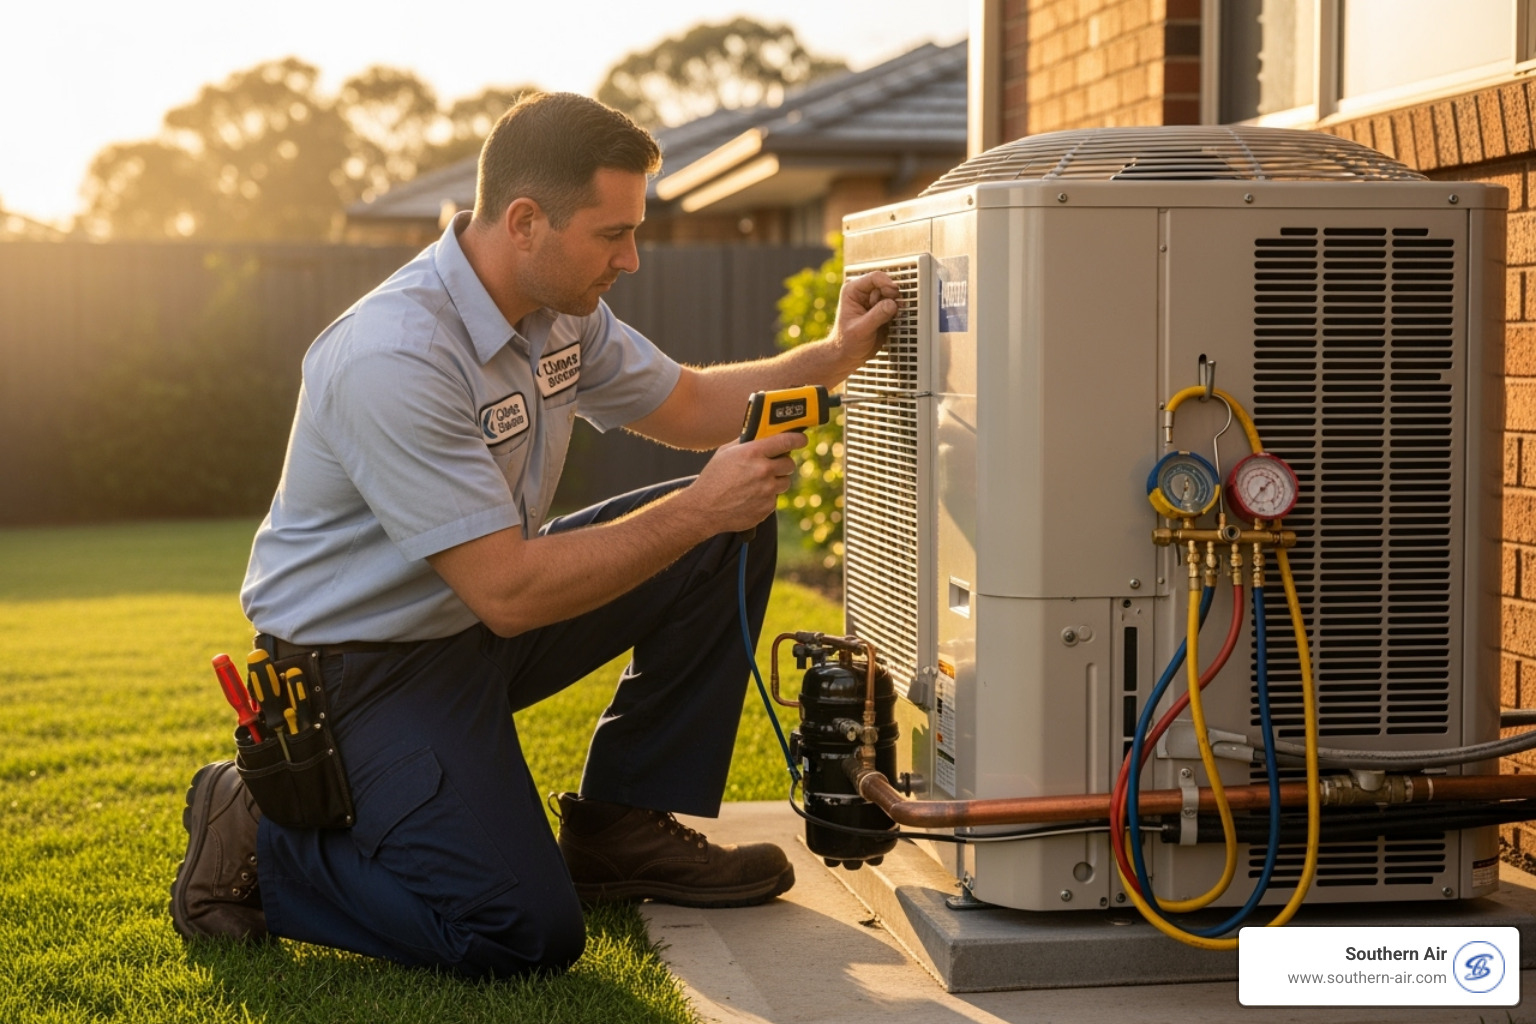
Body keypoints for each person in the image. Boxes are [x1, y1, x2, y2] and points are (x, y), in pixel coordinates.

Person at [168, 91, 898, 978]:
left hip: (468, 625)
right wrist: (701, 506)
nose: (630, 258)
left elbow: (697, 406)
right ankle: (256, 830)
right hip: (360, 673)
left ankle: (620, 828)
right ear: (524, 222)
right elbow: (508, 593)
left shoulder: (563, 314)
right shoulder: (395, 355)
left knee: (723, 538)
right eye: (611, 233)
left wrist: (837, 353)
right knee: (519, 932)